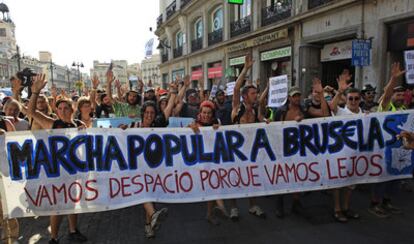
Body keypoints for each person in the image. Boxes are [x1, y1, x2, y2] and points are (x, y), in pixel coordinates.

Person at [26, 74, 88, 244]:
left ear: (72, 110)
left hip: (73, 170)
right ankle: (53, 238)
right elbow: (31, 112)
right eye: (59, 108)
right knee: (58, 206)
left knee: (72, 202)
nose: (62, 111)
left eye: (65, 108)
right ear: (56, 110)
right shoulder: (53, 124)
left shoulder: (77, 125)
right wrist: (35, 92)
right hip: (57, 172)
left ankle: (73, 231)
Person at [229, 54, 266, 221]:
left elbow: (262, 122)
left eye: (256, 93)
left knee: (252, 178)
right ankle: (234, 208)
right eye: (253, 93)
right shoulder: (238, 108)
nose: (255, 95)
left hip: (252, 150)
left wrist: (267, 122)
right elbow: (236, 89)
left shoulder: (255, 109)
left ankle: (253, 205)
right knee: (235, 178)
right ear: (245, 96)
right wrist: (246, 68)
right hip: (236, 151)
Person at [369, 62, 406, 218]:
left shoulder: (405, 110)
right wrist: (393, 79)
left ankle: (387, 202)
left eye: (402, 95)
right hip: (384, 150)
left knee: (395, 178)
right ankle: (375, 204)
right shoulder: (385, 107)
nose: (400, 97)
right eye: (397, 94)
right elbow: (388, 93)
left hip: (400, 150)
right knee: (382, 178)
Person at [189, 100, 229, 225]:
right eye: (204, 113)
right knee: (213, 186)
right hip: (198, 163)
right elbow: (182, 137)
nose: (206, 115)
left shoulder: (216, 124)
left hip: (212, 161)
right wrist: (190, 129)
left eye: (209, 113)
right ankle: (222, 209)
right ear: (199, 113)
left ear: (212, 114)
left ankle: (212, 213)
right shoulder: (193, 124)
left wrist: (218, 130)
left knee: (213, 186)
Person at [330, 73, 361, 222]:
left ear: (359, 99)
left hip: (356, 154)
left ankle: (346, 208)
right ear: (346, 100)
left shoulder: (365, 114)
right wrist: (340, 91)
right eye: (351, 98)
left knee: (350, 184)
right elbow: (332, 106)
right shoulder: (342, 112)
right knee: (338, 183)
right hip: (340, 154)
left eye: (356, 98)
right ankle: (337, 209)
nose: (354, 101)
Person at [0, 117, 18, 244]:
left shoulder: (5, 124)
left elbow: (16, 145)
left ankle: (12, 239)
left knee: (8, 210)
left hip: (4, 175)